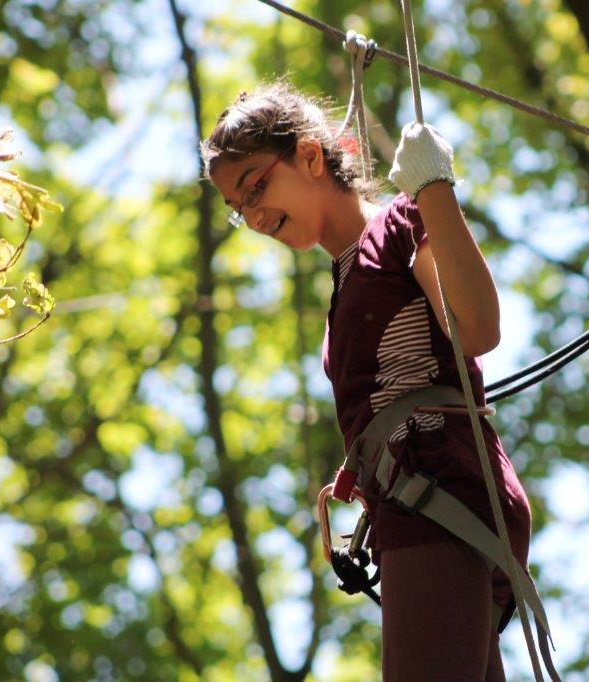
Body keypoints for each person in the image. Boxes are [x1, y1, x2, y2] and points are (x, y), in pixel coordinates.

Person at [200, 81, 531, 681]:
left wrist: (433, 190)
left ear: (309, 156)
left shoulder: (399, 225)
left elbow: (478, 329)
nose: (253, 216)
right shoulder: (348, 278)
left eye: (255, 187)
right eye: (238, 207)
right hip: (424, 504)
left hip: (439, 497)